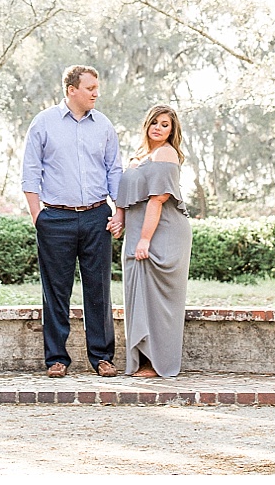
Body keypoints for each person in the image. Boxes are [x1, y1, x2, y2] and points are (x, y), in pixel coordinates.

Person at [21, 64, 124, 378]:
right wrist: (39, 217)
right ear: (71, 90)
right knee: (56, 292)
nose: (96, 92)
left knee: (98, 290)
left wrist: (119, 211)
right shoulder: (43, 123)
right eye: (90, 87)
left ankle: (102, 358)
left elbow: (114, 171)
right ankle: (56, 359)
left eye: (96, 87)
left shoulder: (103, 125)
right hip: (55, 219)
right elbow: (30, 173)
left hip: (97, 217)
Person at [117, 104, 190, 378]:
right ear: (146, 124)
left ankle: (157, 363)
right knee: (138, 294)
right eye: (155, 122)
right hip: (140, 234)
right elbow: (128, 195)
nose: (159, 128)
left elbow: (158, 199)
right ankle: (143, 360)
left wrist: (145, 239)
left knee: (158, 300)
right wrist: (119, 219)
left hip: (164, 234)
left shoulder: (166, 153)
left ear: (172, 131)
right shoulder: (140, 156)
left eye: (165, 125)